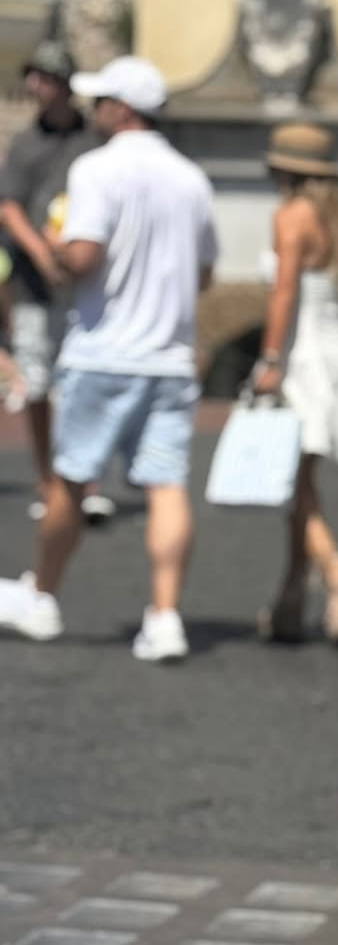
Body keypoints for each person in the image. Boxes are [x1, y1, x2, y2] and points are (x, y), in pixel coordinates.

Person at [0, 56, 218, 659]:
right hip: (169, 357)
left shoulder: (95, 169)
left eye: (101, 102)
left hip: (103, 350)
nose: (93, 111)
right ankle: (165, 616)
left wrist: (54, 245)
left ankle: (42, 595)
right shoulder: (191, 179)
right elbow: (204, 274)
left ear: (122, 110)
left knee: (70, 481)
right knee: (166, 486)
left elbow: (84, 256)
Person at [253, 124, 338, 643]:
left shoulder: (291, 215)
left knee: (293, 481)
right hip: (336, 348)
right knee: (300, 479)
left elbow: (284, 291)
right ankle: (291, 599)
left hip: (301, 354)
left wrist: (270, 358)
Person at [0, 41, 112, 522]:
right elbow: (10, 207)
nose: (33, 86)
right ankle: (48, 479)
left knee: (85, 383)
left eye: (43, 77)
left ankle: (85, 480)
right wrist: (42, 252)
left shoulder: (93, 139)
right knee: (38, 383)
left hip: (85, 281)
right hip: (34, 283)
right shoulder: (26, 142)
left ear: (64, 84)